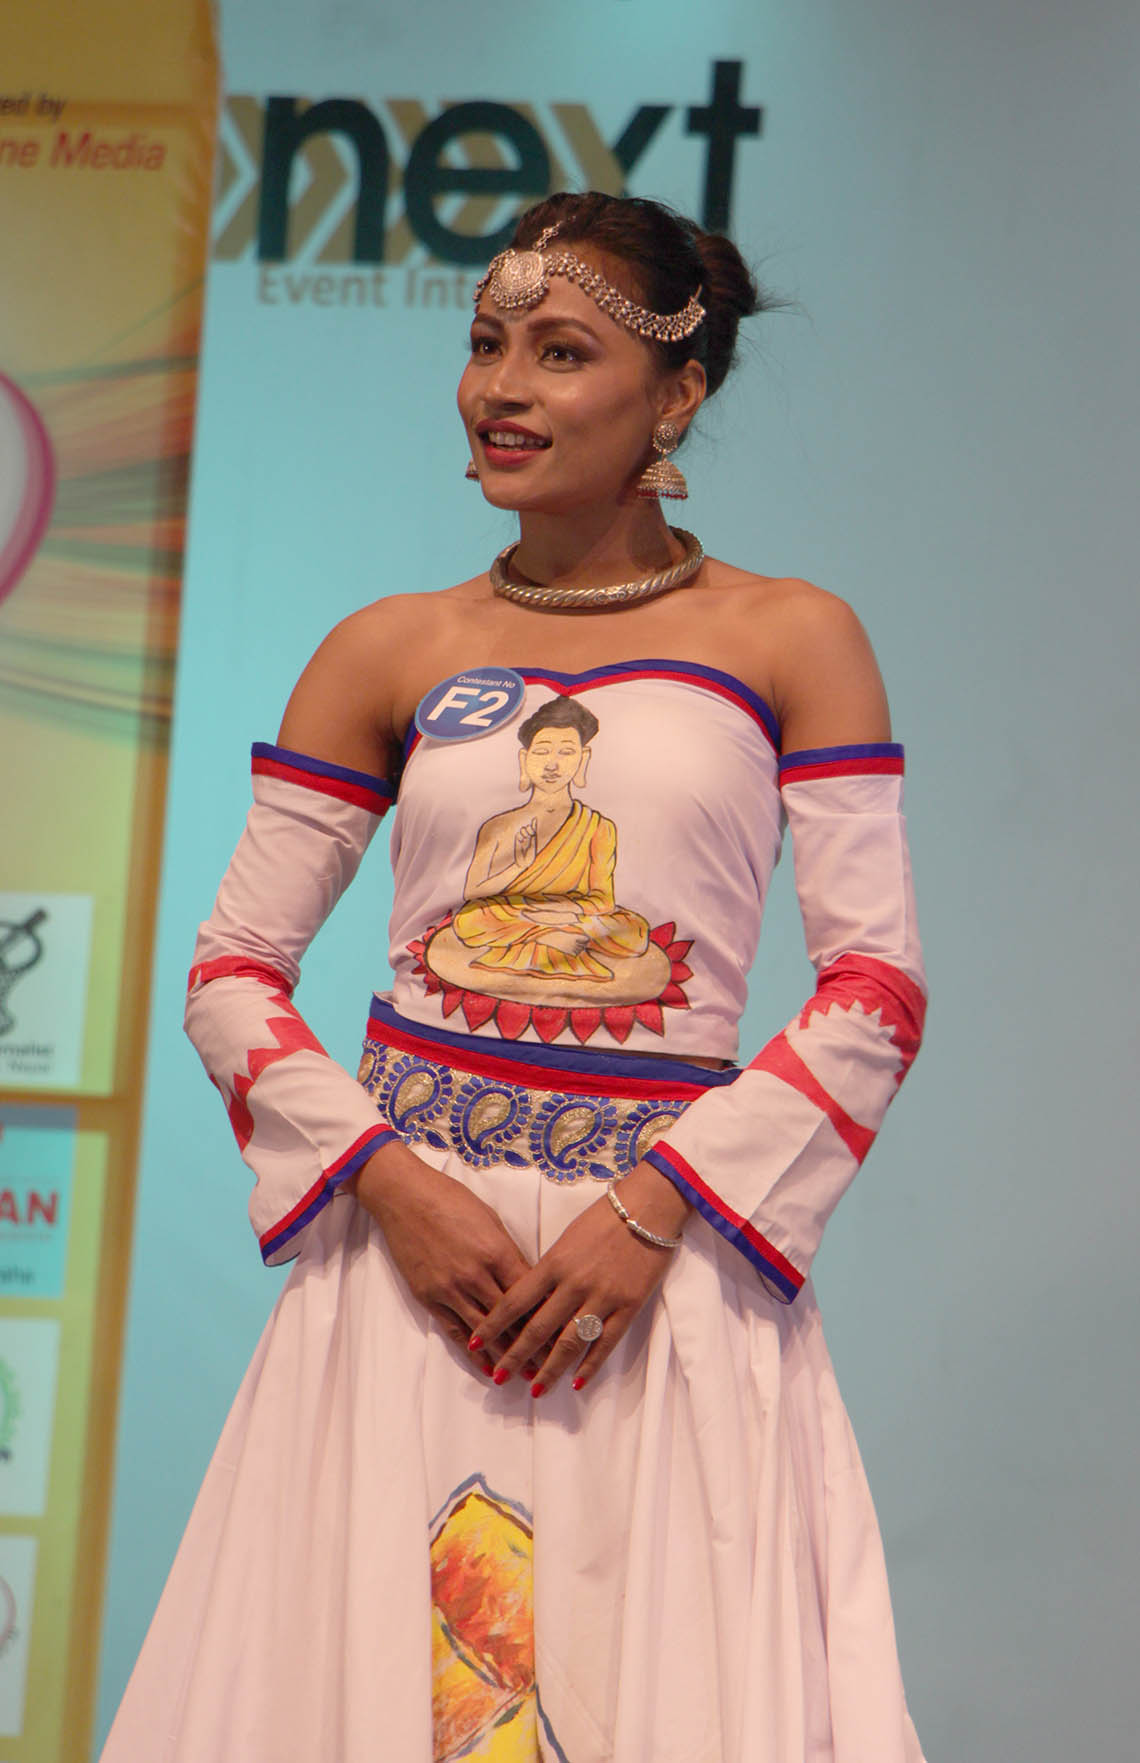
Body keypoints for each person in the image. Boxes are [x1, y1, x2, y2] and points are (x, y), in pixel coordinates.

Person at [101, 191, 928, 1763]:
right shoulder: (387, 649)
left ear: (678, 393)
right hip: (422, 1269)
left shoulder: (792, 639)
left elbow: (875, 987)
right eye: (488, 345)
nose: (502, 387)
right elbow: (232, 970)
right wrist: (390, 1187)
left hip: (665, 1270)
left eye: (559, 352)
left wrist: (656, 1209)